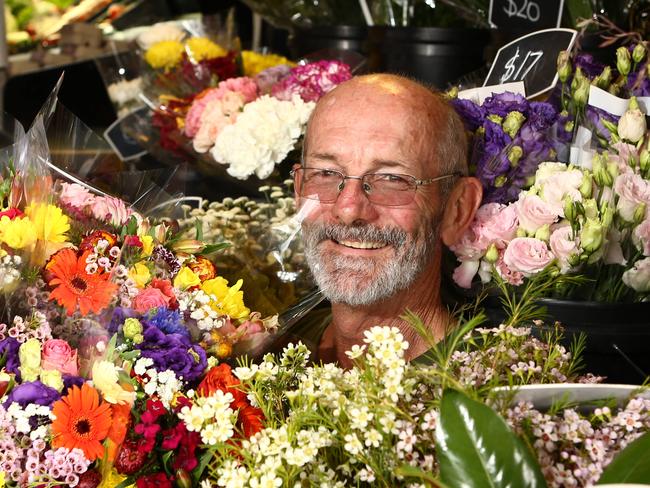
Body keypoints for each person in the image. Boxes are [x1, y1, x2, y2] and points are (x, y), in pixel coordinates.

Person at [291, 73, 483, 368]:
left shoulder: (481, 389)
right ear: (299, 190)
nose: (349, 210)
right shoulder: (275, 346)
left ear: (458, 209)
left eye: (392, 179)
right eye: (326, 174)